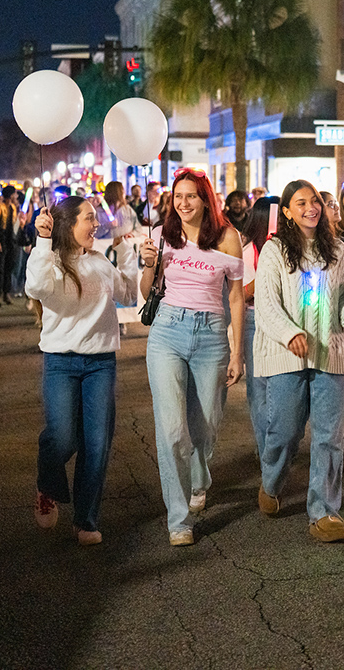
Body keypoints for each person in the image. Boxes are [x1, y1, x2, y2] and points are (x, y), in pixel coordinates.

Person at [254, 181, 344, 543]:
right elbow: (267, 305)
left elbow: (339, 300)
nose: (310, 207)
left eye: (315, 200)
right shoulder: (274, 250)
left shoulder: (338, 249)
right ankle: (271, 482)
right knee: (284, 432)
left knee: (329, 438)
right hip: (286, 353)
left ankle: (324, 512)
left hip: (330, 351)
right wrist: (291, 334)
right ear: (286, 211)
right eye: (300, 202)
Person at [140, 169, 245, 546]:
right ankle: (178, 519)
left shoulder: (228, 238)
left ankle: (200, 478)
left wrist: (237, 352)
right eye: (177, 196)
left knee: (206, 426)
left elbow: (234, 298)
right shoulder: (161, 235)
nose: (183, 203)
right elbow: (146, 290)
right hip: (167, 330)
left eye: (191, 196)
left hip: (212, 335)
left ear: (205, 199)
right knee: (171, 430)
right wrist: (149, 262)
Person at [26, 196, 139, 546]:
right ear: (68, 225)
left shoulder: (100, 261)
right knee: (63, 438)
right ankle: (48, 485)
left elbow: (130, 293)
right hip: (61, 361)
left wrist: (133, 256)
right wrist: (43, 241)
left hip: (100, 363)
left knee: (97, 443)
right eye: (88, 219)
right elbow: (37, 287)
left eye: (95, 218)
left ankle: (85, 520)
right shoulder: (51, 260)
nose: (95, 225)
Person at [240, 196, 281, 458]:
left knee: (281, 386)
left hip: (283, 322)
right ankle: (267, 450)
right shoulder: (247, 253)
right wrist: (265, 276)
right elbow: (242, 294)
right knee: (260, 389)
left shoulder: (285, 248)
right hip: (254, 321)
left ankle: (279, 444)